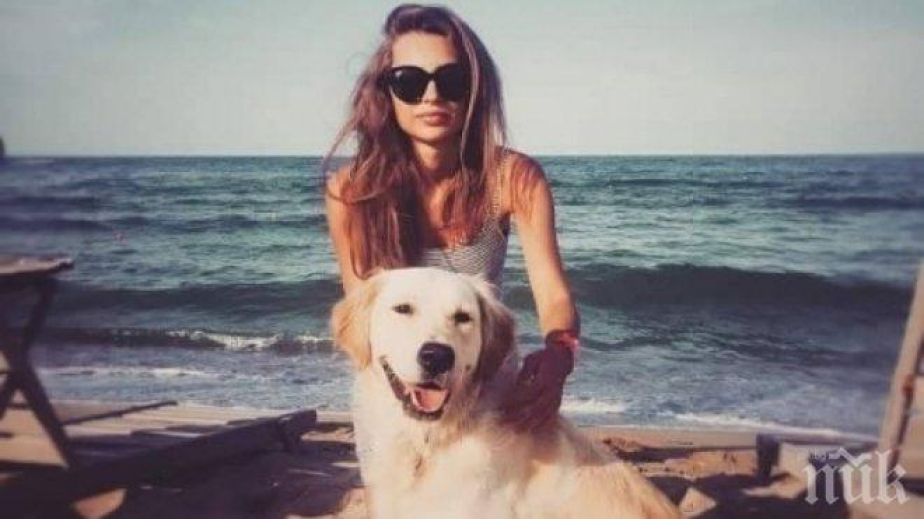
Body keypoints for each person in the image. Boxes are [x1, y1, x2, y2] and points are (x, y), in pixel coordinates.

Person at [322, 3, 580, 432]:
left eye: (451, 80)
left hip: (484, 383)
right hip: (394, 392)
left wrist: (559, 355)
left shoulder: (514, 178)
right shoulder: (351, 192)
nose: (432, 96)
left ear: (474, 88)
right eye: (409, 81)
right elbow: (363, 319)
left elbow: (553, 297)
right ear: (385, 92)